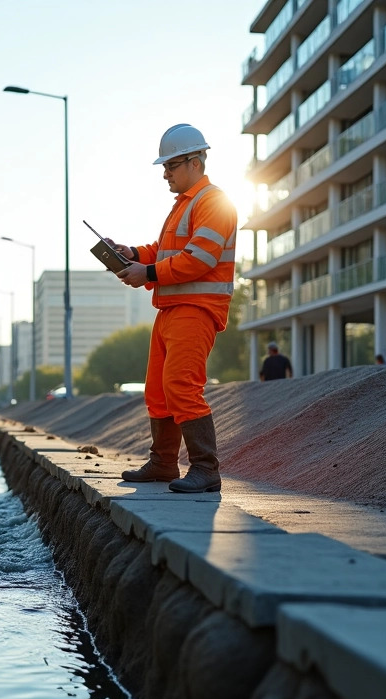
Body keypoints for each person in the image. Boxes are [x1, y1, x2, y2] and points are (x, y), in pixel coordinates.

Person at [107, 124, 237, 494]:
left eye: (172, 165)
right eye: (164, 166)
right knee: (158, 391)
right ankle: (163, 463)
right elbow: (167, 253)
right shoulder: (185, 205)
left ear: (196, 162)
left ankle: (205, 469)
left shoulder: (214, 203)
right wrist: (131, 254)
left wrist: (146, 271)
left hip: (196, 309)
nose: (165, 173)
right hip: (171, 309)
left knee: (182, 385)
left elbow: (198, 259)